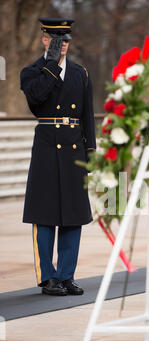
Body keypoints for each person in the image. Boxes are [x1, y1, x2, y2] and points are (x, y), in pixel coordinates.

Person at [20, 18, 96, 296]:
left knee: (73, 216)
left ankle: (66, 275)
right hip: (47, 147)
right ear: (44, 40)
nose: (62, 45)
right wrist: (51, 65)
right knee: (45, 214)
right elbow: (37, 100)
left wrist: (91, 152)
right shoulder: (31, 72)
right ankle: (47, 277)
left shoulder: (81, 73)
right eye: (55, 40)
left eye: (65, 40)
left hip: (74, 146)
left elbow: (87, 115)